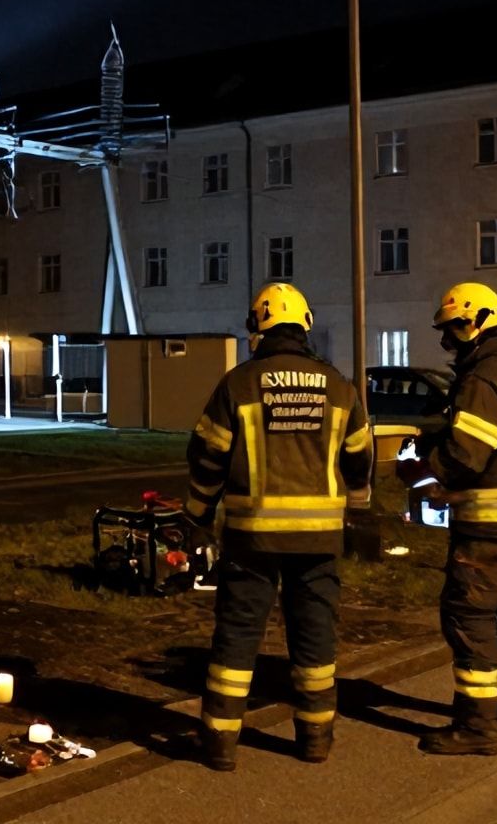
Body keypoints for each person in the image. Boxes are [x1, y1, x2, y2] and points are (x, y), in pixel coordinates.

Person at [184, 283, 373, 771]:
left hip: (252, 538)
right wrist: (358, 508)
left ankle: (220, 744)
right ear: (305, 326)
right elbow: (359, 457)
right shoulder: (338, 385)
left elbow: (207, 456)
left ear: (257, 328)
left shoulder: (239, 384)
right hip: (319, 540)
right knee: (315, 637)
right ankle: (315, 740)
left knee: (237, 635)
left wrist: (197, 514)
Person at [398, 282, 497, 756]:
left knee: (468, 615)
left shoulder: (483, 380)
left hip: (490, 523)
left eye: (454, 329)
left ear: (478, 324)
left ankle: (478, 727)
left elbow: (467, 455)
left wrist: (421, 470)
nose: (448, 340)